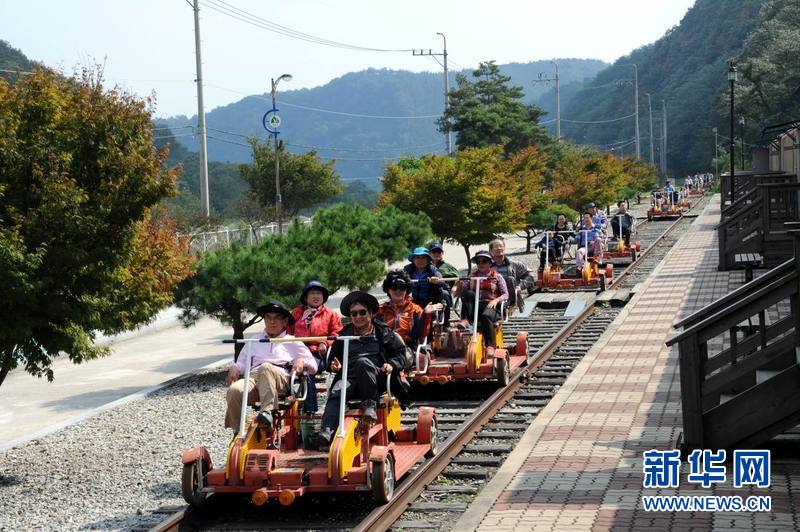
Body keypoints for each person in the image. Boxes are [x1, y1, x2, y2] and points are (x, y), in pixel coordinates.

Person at [309, 291, 409, 450]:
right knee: (337, 391)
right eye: (354, 314)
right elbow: (331, 360)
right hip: (350, 378)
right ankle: (327, 431)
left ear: (371, 313)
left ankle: (370, 406)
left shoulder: (383, 332)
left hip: (376, 378)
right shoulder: (343, 335)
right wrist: (333, 366)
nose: (358, 317)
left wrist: (392, 364)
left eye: (362, 312)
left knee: (363, 362)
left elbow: (402, 355)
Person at [224, 301, 318, 433]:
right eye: (268, 317)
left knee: (266, 367)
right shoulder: (254, 340)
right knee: (234, 390)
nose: (272, 322)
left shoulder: (292, 341)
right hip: (254, 379)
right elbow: (242, 363)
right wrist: (235, 367)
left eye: (277, 318)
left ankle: (267, 412)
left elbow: (313, 365)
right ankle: (238, 431)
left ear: (285, 322)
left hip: (280, 379)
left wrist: (301, 361)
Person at [289, 280, 343, 414]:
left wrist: (325, 343)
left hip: (317, 354)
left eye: (319, 293)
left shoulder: (331, 314)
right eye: (312, 293)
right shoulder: (296, 313)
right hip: (296, 352)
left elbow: (337, 334)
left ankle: (310, 412)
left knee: (307, 370)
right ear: (305, 297)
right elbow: (288, 331)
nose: (316, 296)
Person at [455, 250, 508, 356]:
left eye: (484, 261)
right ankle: (465, 320)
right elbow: (462, 294)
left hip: (491, 306)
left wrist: (496, 300)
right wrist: (459, 285)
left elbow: (506, 294)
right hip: (475, 306)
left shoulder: (497, 277)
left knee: (486, 316)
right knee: (469, 293)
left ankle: (490, 345)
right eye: (478, 262)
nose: (481, 264)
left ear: (489, 263)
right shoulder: (471, 276)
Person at [377, 270, 441, 348]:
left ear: (407, 290)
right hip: (385, 347)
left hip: (407, 348)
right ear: (388, 290)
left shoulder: (415, 309)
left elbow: (422, 335)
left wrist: (426, 315)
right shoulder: (380, 310)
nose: (398, 290)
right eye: (394, 287)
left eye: (402, 287)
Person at [489, 238, 533, 312]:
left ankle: (511, 305)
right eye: (496, 247)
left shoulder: (515, 265)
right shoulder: (487, 266)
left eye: (501, 246)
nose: (499, 248)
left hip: (510, 295)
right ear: (491, 251)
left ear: (504, 248)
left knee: (510, 279)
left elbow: (530, 277)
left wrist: (520, 286)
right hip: (493, 294)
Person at [429, 241, 458, 327]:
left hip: (443, 291)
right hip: (429, 291)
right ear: (430, 253)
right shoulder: (426, 266)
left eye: (439, 252)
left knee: (445, 294)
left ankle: (446, 324)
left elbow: (458, 278)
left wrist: (455, 287)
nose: (436, 254)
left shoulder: (448, 266)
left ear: (442, 253)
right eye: (434, 252)